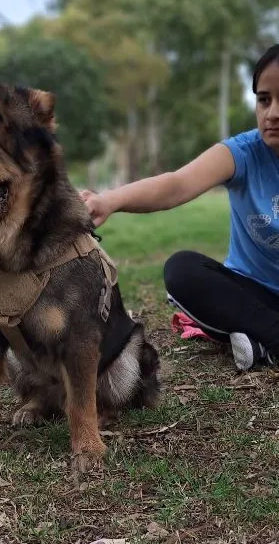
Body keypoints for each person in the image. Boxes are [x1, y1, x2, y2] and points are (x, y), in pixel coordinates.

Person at [81, 44, 279, 372]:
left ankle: (262, 344)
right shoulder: (243, 153)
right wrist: (110, 200)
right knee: (182, 270)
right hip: (249, 295)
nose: (272, 113)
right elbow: (177, 185)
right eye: (264, 99)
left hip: (255, 315)